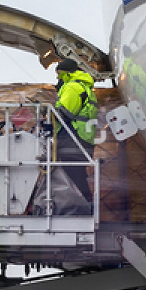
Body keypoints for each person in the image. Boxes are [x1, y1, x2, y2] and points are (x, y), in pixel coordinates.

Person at [51, 57, 98, 210]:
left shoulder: (72, 87)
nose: (57, 77)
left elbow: (65, 113)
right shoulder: (85, 87)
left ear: (64, 72)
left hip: (73, 140)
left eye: (58, 73)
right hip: (82, 141)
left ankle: (81, 209)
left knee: (70, 178)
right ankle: (86, 206)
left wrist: (47, 112)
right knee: (77, 176)